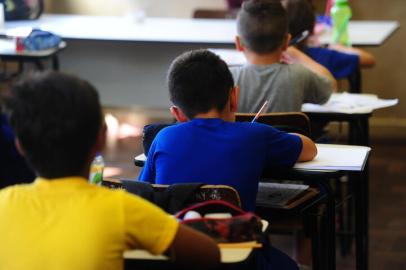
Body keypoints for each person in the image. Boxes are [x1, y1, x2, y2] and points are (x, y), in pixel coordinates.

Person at [0, 71, 220, 270]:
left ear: (19, 145)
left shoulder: (3, 203)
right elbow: (209, 254)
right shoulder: (122, 209)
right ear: (102, 138)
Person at [139, 49, 317, 270]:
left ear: (177, 113)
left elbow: (144, 195)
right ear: (234, 97)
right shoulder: (254, 135)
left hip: (178, 257)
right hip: (241, 258)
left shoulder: (163, 137)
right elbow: (310, 149)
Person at [230, 0, 336, 113]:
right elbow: (331, 85)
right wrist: (298, 55)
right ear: (286, 42)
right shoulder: (299, 75)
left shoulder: (229, 78)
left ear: (238, 43)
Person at [281, 0, 376, 79]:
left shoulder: (275, 58)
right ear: (313, 26)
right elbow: (369, 60)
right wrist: (338, 47)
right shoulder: (322, 56)